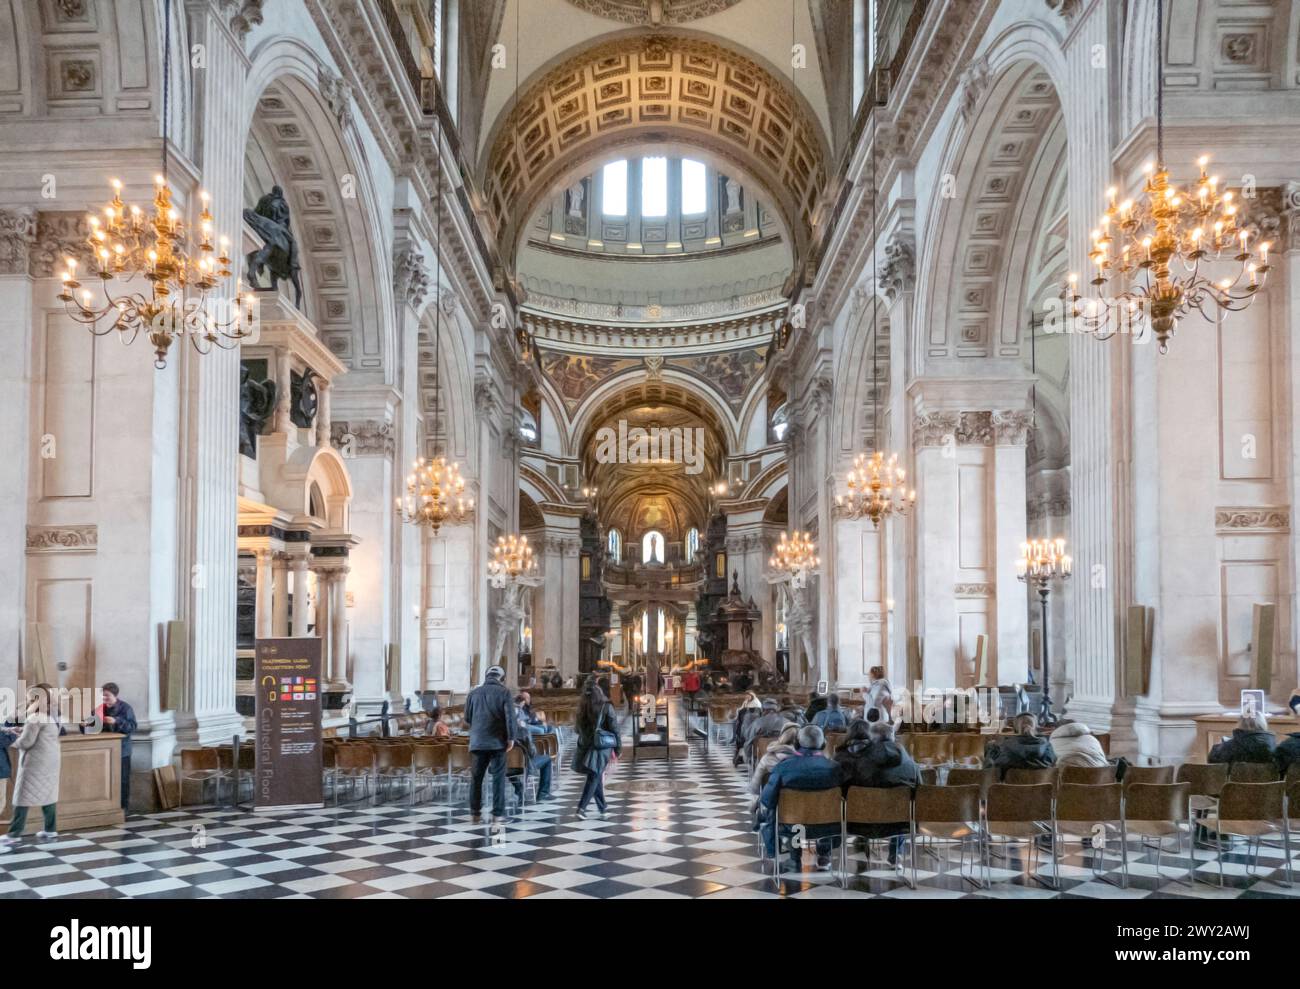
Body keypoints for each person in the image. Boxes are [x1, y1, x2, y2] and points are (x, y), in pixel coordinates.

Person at [759, 725, 843, 872]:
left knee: (784, 815)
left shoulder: (784, 767)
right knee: (828, 815)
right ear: (823, 744)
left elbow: (767, 800)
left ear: (797, 744)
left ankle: (794, 858)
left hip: (791, 825)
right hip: (828, 825)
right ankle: (824, 855)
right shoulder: (835, 768)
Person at [834, 720, 919, 864]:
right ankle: (895, 853)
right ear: (893, 736)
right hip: (900, 825)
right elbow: (919, 792)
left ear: (872, 738)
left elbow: (851, 792)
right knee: (902, 804)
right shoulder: (912, 765)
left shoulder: (861, 764)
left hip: (861, 823)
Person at [0, 685, 62, 852]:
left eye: (28, 698)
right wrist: (20, 730)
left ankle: (14, 834)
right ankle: (50, 830)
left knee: (22, 797)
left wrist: (11, 740)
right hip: (50, 761)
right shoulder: (50, 716)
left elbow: (26, 742)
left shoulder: (35, 717)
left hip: (35, 763)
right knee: (48, 794)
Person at [463, 665, 518, 826]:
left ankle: (475, 815)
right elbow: (510, 718)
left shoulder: (473, 693)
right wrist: (511, 738)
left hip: (478, 742)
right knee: (498, 779)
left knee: (476, 779)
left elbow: (467, 718)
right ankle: (497, 816)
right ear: (501, 678)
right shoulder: (504, 692)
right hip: (497, 742)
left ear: (486, 676)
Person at [573, 683, 620, 818]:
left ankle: (603, 808)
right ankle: (581, 809)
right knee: (594, 776)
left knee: (596, 775)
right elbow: (615, 729)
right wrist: (618, 749)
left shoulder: (582, 708)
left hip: (585, 746)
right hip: (600, 747)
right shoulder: (606, 707)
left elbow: (577, 729)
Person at [747, 723, 800, 828]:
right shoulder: (806, 762)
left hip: (776, 809)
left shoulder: (767, 759)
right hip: (807, 810)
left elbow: (755, 788)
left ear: (781, 737)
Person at [97, 682, 137, 812]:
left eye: (107, 695)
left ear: (115, 695)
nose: (104, 698)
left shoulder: (125, 708)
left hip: (122, 751)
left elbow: (132, 727)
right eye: (102, 696)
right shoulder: (99, 708)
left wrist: (116, 721)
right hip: (103, 750)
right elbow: (93, 726)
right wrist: (85, 724)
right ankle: (107, 808)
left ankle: (123, 808)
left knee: (122, 780)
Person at [985, 713, 1056, 779]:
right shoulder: (1047, 745)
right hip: (1040, 789)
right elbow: (1051, 764)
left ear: (1015, 729)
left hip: (1008, 790)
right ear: (1035, 728)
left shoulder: (1005, 745)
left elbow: (996, 766)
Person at [513, 693, 554, 801]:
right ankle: (543, 793)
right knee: (547, 759)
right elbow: (531, 752)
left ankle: (518, 787)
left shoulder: (501, 734)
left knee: (510, 764)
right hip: (525, 765)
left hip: (505, 767)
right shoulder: (523, 732)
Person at [1209, 710, 1277, 766]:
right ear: (1263, 724)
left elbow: (1212, 760)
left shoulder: (1230, 747)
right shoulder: (1275, 748)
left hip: (1234, 782)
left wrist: (1220, 746)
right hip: (1266, 781)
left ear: (1240, 724)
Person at [743, 698, 790, 765]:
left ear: (764, 710)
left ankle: (752, 762)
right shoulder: (786, 721)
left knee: (748, 743)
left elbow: (748, 735)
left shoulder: (758, 722)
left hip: (762, 752)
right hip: (783, 753)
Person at [732, 692, 762, 767]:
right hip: (747, 727)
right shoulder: (745, 703)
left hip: (751, 728)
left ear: (752, 696)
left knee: (742, 738)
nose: (747, 697)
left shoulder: (756, 705)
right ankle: (741, 754)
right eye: (746, 695)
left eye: (748, 695)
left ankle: (743, 755)